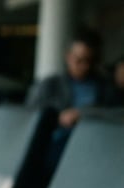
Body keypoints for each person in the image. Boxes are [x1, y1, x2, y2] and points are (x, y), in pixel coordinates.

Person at [26, 29, 116, 176]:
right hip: (58, 143)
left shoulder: (106, 87)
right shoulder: (50, 84)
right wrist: (57, 118)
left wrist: (84, 114)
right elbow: (30, 115)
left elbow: (117, 113)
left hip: (96, 145)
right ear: (68, 57)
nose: (85, 66)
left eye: (90, 61)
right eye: (79, 60)